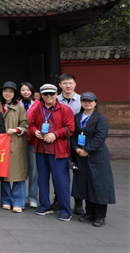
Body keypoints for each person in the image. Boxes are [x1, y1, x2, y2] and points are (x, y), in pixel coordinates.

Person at [28, 83, 75, 221]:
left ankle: (65, 209)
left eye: (52, 94)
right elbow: (31, 124)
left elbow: (70, 128)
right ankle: (44, 205)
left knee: (61, 181)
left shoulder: (65, 110)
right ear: (41, 96)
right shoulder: (37, 109)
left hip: (59, 151)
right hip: (41, 149)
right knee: (42, 180)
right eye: (46, 94)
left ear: (56, 94)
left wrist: (55, 134)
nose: (49, 96)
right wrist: (35, 131)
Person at [70, 92, 116, 227]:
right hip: (80, 156)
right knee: (86, 184)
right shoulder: (77, 117)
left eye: (90, 101)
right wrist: (76, 149)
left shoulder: (100, 119)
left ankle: (100, 216)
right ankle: (89, 213)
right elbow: (73, 135)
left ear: (95, 103)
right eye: (84, 101)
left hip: (97, 156)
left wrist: (87, 150)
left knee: (99, 185)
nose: (87, 103)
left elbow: (100, 137)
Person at [0, 82, 29, 213]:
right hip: (0, 145)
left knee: (18, 175)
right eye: (5, 91)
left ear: (14, 94)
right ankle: (5, 200)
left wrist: (15, 129)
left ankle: (18, 202)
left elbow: (25, 125)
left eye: (10, 91)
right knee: (3, 173)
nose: (7, 94)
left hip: (16, 144)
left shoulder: (19, 107)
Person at [57, 73, 84, 215]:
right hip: (59, 139)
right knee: (58, 170)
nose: (68, 86)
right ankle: (58, 199)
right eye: (65, 83)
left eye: (70, 83)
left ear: (75, 84)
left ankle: (78, 202)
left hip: (78, 140)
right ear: (60, 85)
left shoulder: (82, 100)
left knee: (78, 171)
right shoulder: (54, 99)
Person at [20, 81, 38, 208]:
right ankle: (19, 197)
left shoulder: (38, 105)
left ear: (32, 91)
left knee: (34, 171)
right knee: (19, 170)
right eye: (23, 90)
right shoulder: (15, 104)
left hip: (33, 141)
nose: (25, 92)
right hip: (18, 141)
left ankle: (32, 197)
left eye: (28, 90)